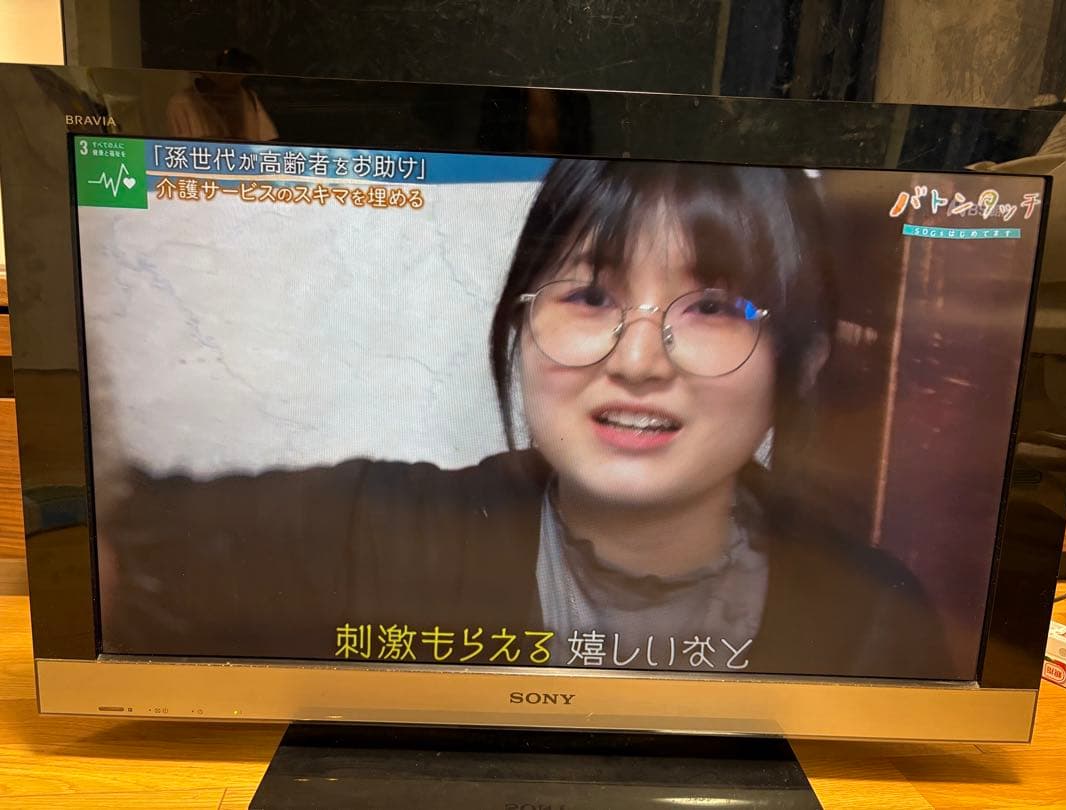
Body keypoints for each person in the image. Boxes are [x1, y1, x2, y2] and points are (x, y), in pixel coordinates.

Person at [100, 159, 952, 678]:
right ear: (520, 323)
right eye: (589, 296)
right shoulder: (378, 537)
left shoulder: (873, 622)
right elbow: (126, 544)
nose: (638, 360)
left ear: (803, 359)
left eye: (714, 307)